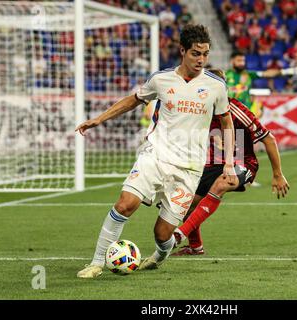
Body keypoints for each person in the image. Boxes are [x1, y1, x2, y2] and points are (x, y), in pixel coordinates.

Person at [75, 24, 237, 278]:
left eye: (205, 54)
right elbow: (134, 99)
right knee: (126, 204)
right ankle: (96, 263)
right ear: (182, 51)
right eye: (196, 53)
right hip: (156, 154)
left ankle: (160, 255)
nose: (201, 59)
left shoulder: (215, 86)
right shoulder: (161, 79)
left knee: (162, 233)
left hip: (190, 167)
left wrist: (228, 163)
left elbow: (227, 122)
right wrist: (99, 118)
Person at [172, 68, 290, 255]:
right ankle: (195, 247)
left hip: (244, 162)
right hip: (213, 164)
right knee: (187, 201)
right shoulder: (198, 111)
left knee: (223, 182)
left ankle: (178, 235)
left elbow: (268, 139)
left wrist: (278, 174)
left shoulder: (236, 110)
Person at [226, 51, 297, 118]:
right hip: (230, 113)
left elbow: (266, 73)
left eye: (243, 61)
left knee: (241, 132)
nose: (242, 63)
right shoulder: (224, 76)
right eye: (239, 60)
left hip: (244, 114)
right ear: (232, 61)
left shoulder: (249, 74)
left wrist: (286, 71)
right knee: (229, 132)